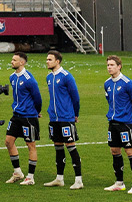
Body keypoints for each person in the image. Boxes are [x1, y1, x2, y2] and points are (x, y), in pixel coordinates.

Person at [103, 54, 132, 194]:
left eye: (112, 65)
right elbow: (109, 101)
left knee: (130, 151)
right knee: (114, 151)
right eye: (108, 65)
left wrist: (131, 117)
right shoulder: (107, 83)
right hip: (112, 122)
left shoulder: (127, 83)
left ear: (119, 66)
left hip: (126, 123)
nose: (109, 67)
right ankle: (119, 182)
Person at [42, 51, 82, 189]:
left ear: (57, 61)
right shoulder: (49, 77)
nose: (47, 61)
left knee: (71, 147)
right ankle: (59, 178)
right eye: (47, 59)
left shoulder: (66, 77)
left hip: (66, 117)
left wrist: (75, 114)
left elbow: (75, 97)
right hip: (54, 118)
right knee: (58, 148)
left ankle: (78, 180)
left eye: (50, 59)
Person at [5, 51, 43, 184]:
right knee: (8, 142)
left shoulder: (29, 79)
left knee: (30, 145)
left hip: (28, 117)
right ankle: (17, 172)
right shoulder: (12, 77)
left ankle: (30, 177)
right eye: (12, 59)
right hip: (16, 115)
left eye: (14, 60)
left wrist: (36, 111)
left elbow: (37, 98)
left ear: (22, 62)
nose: (12, 62)